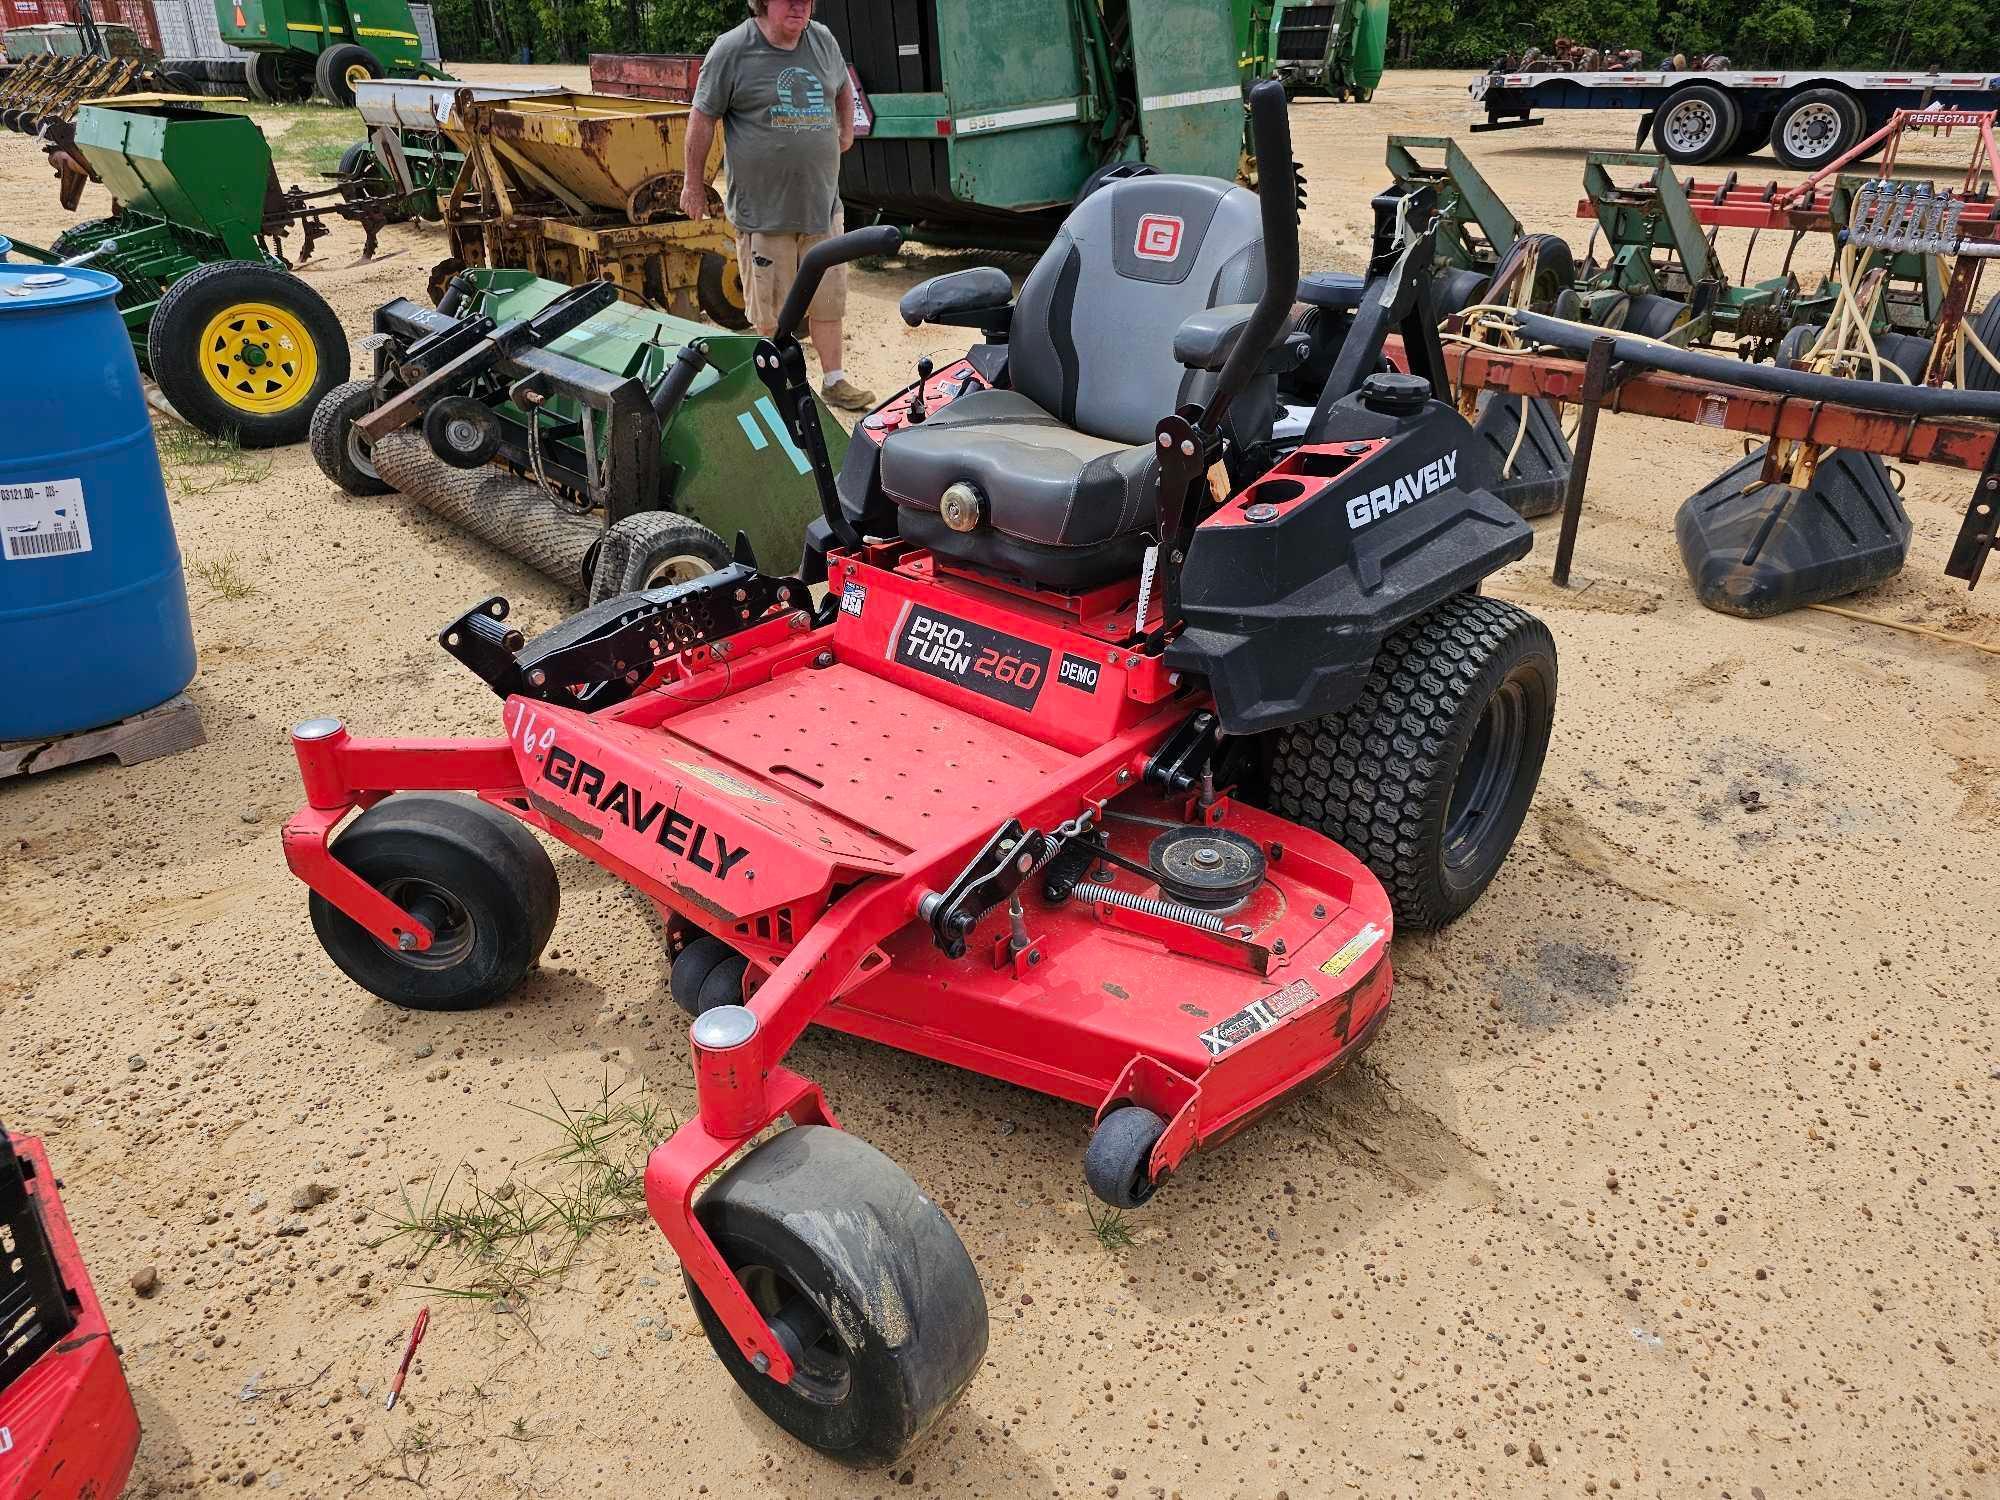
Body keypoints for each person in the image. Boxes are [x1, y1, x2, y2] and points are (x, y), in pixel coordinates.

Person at [681, 0, 875, 412]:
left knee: (828, 302)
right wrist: (692, 185)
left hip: (822, 207)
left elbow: (842, 86)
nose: (800, 7)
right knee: (770, 313)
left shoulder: (822, 40)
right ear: (763, 2)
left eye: (806, 0)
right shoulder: (731, 50)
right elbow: (701, 118)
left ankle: (835, 380)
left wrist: (846, 130)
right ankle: (778, 386)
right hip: (764, 216)